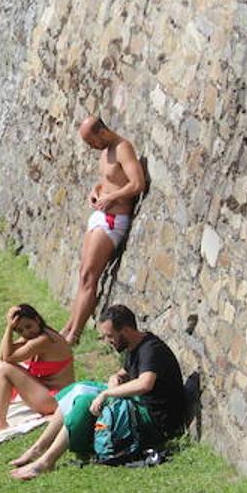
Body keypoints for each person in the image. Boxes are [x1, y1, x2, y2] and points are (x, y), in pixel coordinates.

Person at [10, 304, 186, 479]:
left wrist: (106, 394)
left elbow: (145, 384)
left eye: (110, 336)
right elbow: (126, 372)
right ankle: (39, 448)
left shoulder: (150, 349)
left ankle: (46, 462)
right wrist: (115, 377)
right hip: (139, 406)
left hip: (155, 421)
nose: (108, 341)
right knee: (79, 389)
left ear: (125, 331)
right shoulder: (134, 346)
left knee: (85, 401)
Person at [61, 117, 145, 345]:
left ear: (102, 132)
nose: (91, 147)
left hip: (113, 219)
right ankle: (69, 326)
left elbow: (137, 184)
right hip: (100, 215)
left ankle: (74, 334)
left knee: (90, 275)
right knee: (83, 274)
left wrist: (111, 197)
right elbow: (107, 182)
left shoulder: (122, 148)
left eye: (91, 141)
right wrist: (96, 191)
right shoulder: (105, 152)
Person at [0, 304, 74, 439]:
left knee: (4, 368)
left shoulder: (44, 340)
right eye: (20, 330)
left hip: (58, 399)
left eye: (28, 326)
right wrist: (9, 328)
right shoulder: (33, 336)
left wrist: (10, 328)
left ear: (37, 320)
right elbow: (2, 355)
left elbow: (8, 357)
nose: (27, 333)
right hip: (46, 392)